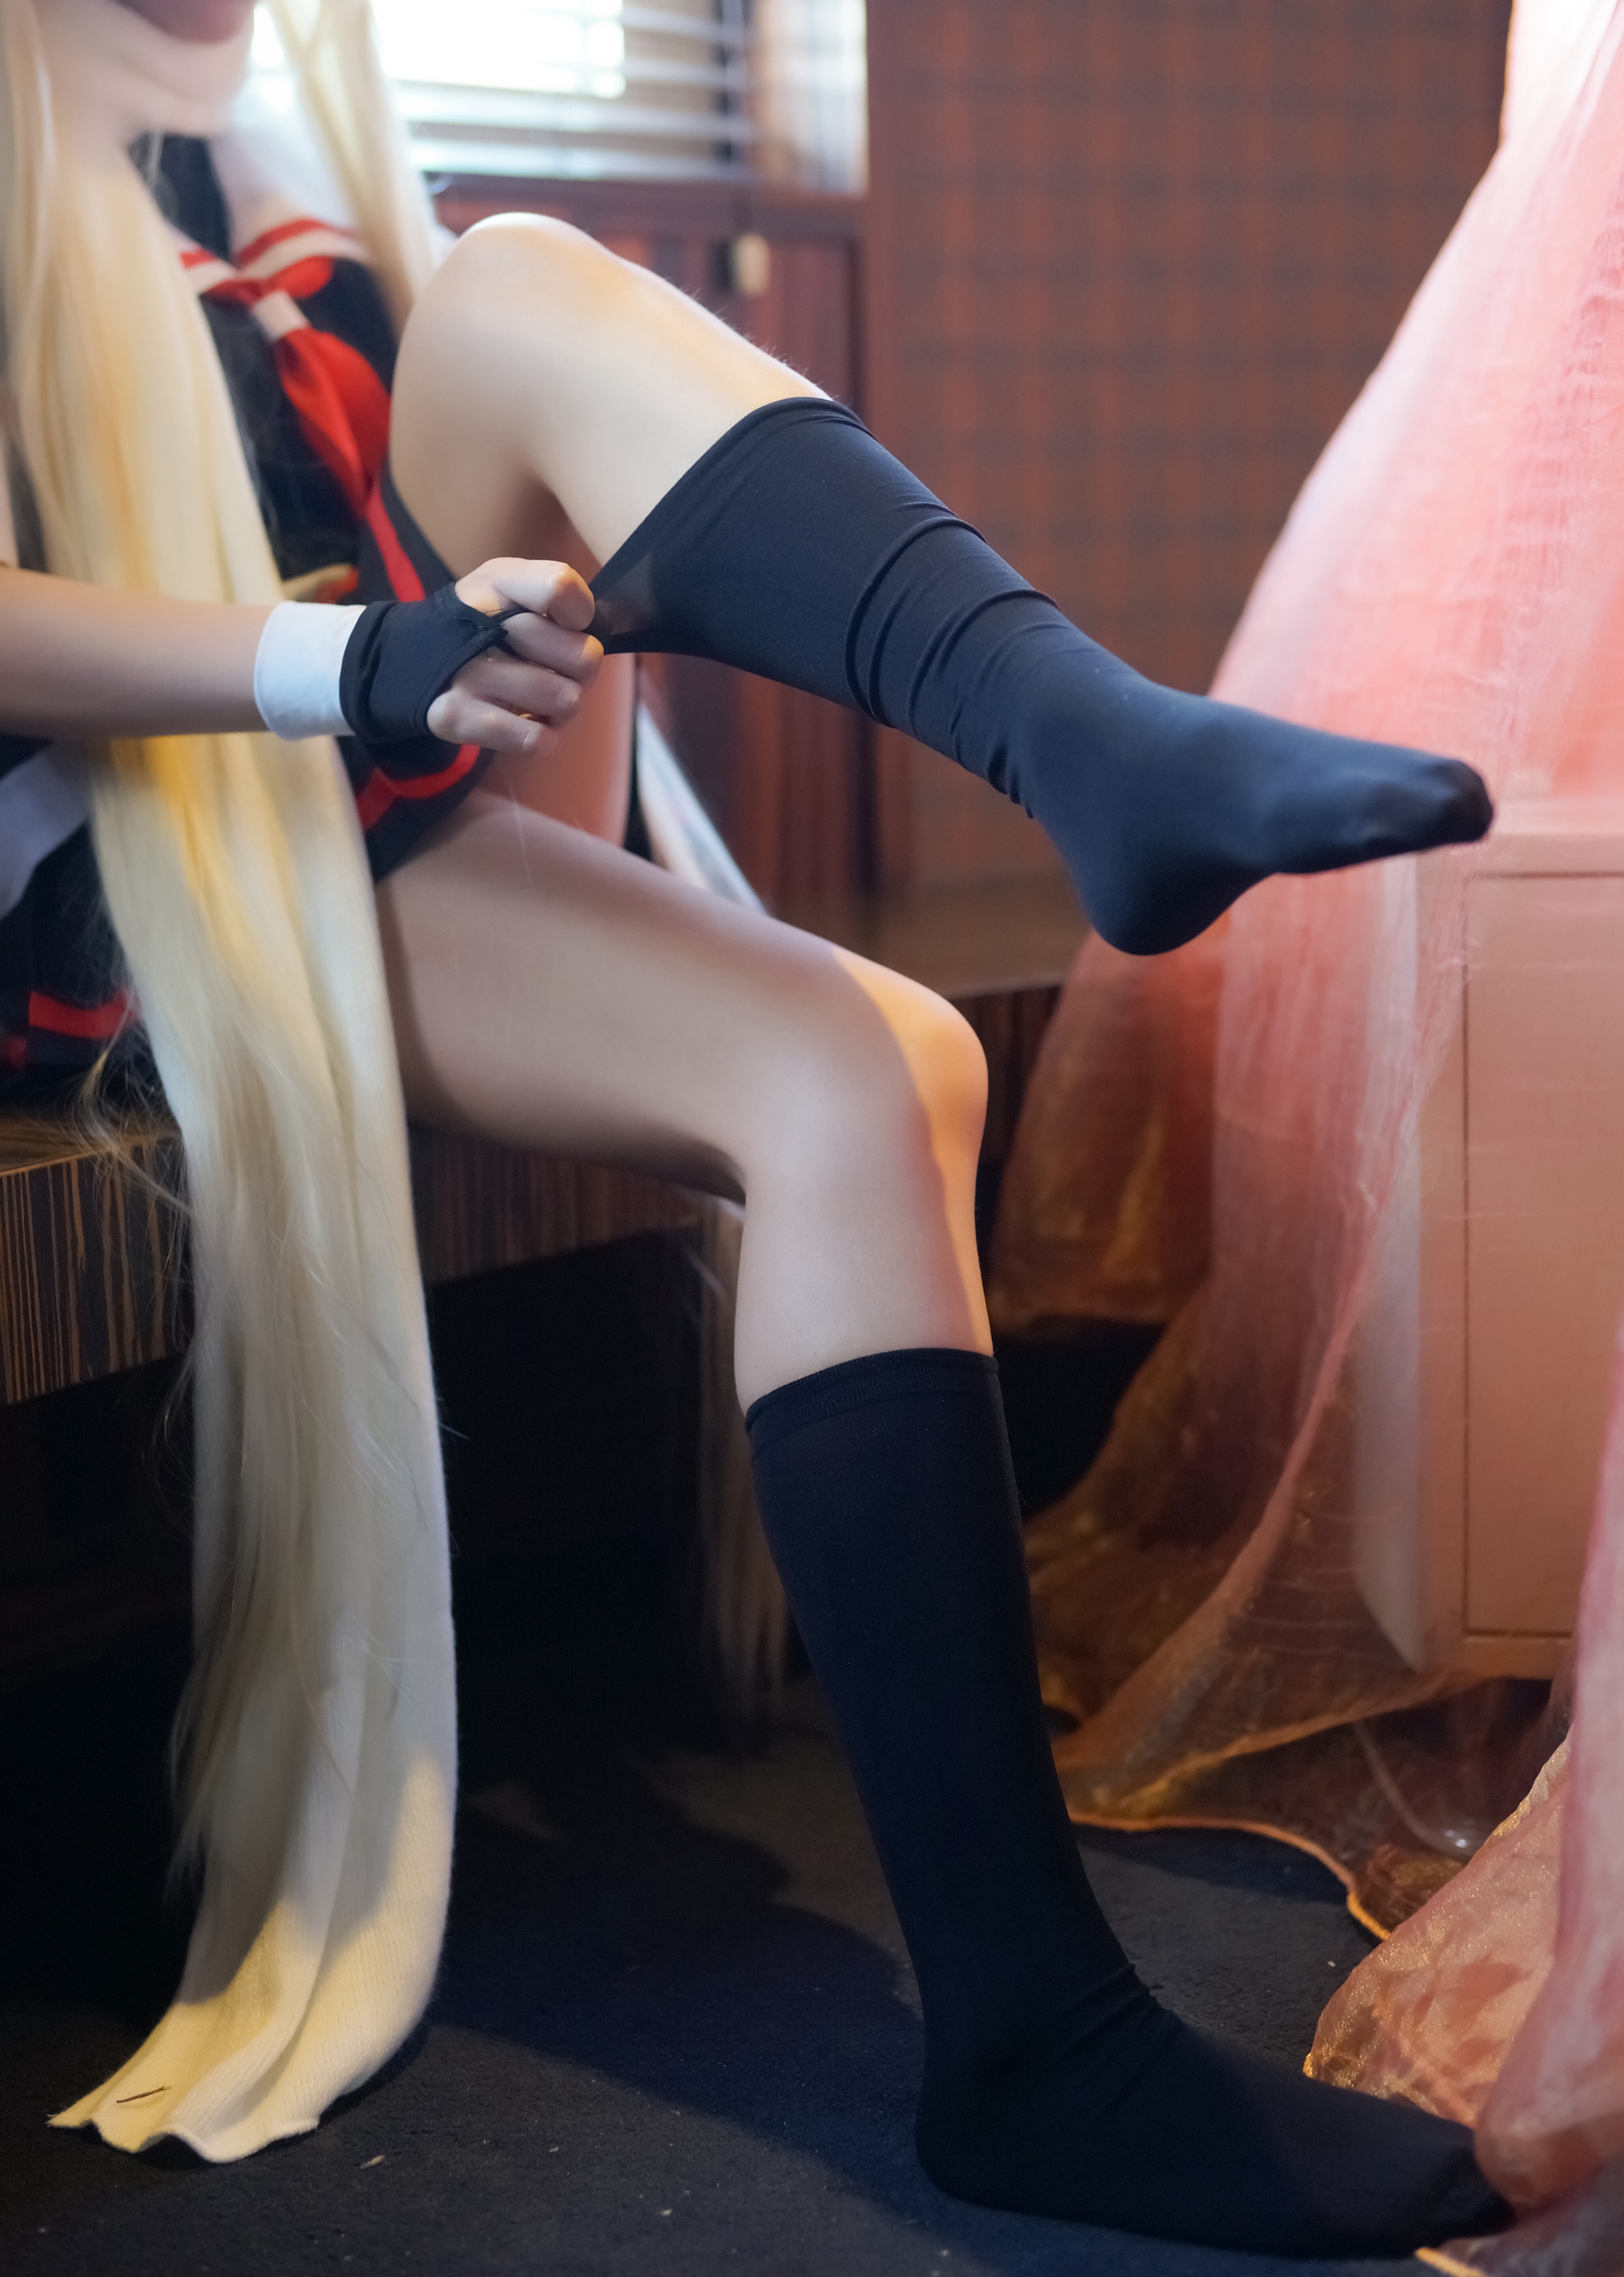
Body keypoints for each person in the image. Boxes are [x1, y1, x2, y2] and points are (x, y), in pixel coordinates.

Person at [3, 0, 1505, 2250]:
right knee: (859, 1065)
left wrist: (450, 639)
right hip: (135, 879)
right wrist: (338, 661)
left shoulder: (274, 127)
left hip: (371, 796)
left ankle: (1078, 728)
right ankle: (1042, 2040)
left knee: (525, 300)